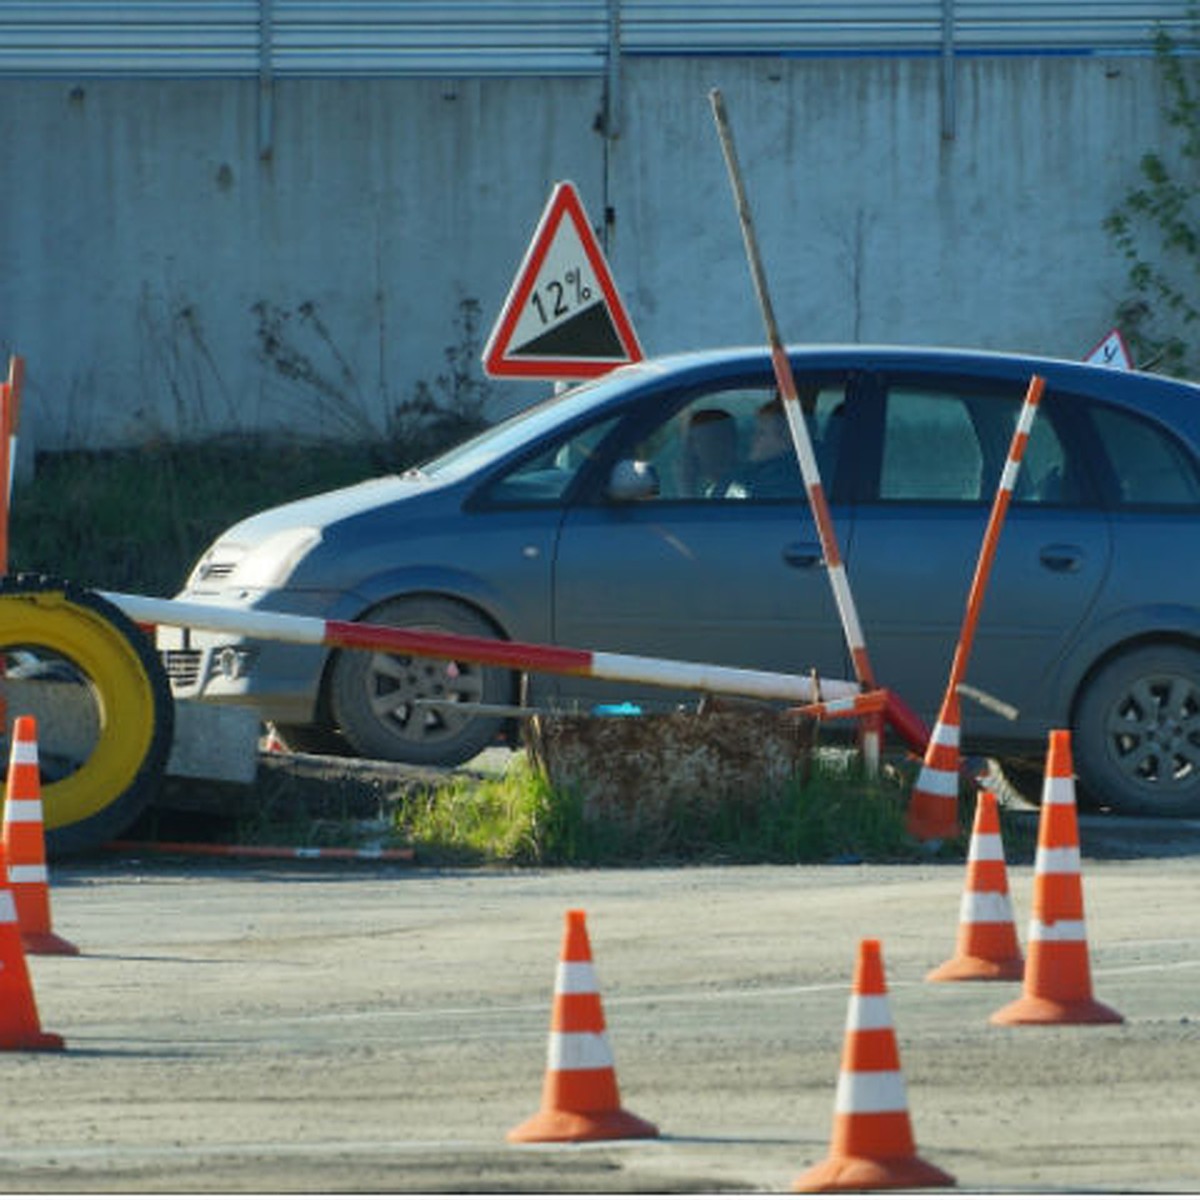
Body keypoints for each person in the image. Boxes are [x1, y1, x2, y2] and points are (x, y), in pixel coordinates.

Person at [682, 407, 739, 498]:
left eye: (708, 442)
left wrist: (686, 489)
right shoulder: (671, 480)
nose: (691, 449)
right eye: (691, 442)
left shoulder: (739, 492)